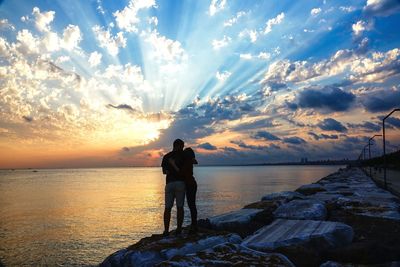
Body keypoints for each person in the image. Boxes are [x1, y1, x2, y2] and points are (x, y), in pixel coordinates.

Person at [169, 147, 198, 234]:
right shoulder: (189, 161)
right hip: (191, 184)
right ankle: (194, 225)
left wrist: (173, 164)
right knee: (192, 205)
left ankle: (194, 225)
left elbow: (180, 173)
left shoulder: (187, 162)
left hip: (190, 185)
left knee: (191, 205)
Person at [161, 139, 185, 236]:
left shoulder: (166, 156)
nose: (183, 148)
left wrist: (170, 171)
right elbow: (185, 170)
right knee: (180, 207)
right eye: (182, 146)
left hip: (169, 183)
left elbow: (164, 172)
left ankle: (166, 231)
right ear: (179, 146)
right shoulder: (183, 156)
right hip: (180, 183)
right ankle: (179, 229)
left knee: (167, 208)